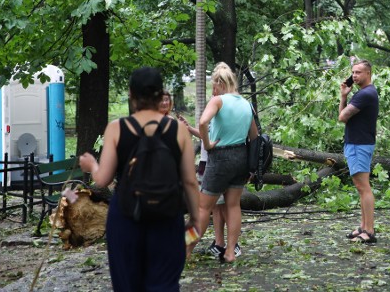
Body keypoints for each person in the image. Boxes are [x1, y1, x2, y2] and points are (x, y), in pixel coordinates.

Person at [79, 67, 200, 291]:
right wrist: (195, 220)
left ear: (131, 94)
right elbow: (190, 182)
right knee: (164, 284)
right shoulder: (178, 130)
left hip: (126, 217)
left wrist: (91, 165)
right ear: (160, 94)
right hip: (167, 216)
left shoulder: (117, 128)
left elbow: (103, 179)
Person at [187, 62, 257, 264]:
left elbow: (202, 122)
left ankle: (185, 250)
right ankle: (230, 252)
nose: (213, 90)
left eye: (213, 85)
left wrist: (207, 145)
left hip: (220, 159)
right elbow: (254, 136)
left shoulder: (218, 100)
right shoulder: (246, 104)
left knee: (202, 208)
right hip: (241, 158)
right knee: (233, 205)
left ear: (218, 83)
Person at [177, 113, 231, 259]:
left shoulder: (223, 111)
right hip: (213, 165)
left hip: (213, 167)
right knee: (215, 208)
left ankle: (185, 248)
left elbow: (211, 137)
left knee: (202, 211)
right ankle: (224, 246)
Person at [338, 60, 379, 244]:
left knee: (364, 187)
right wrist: (344, 96)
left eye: (359, 72)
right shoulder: (363, 93)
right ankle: (363, 227)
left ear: (368, 74)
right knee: (360, 187)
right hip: (357, 143)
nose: (354, 76)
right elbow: (345, 119)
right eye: (353, 72)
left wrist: (344, 100)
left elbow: (342, 116)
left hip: (359, 144)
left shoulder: (366, 94)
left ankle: (369, 231)